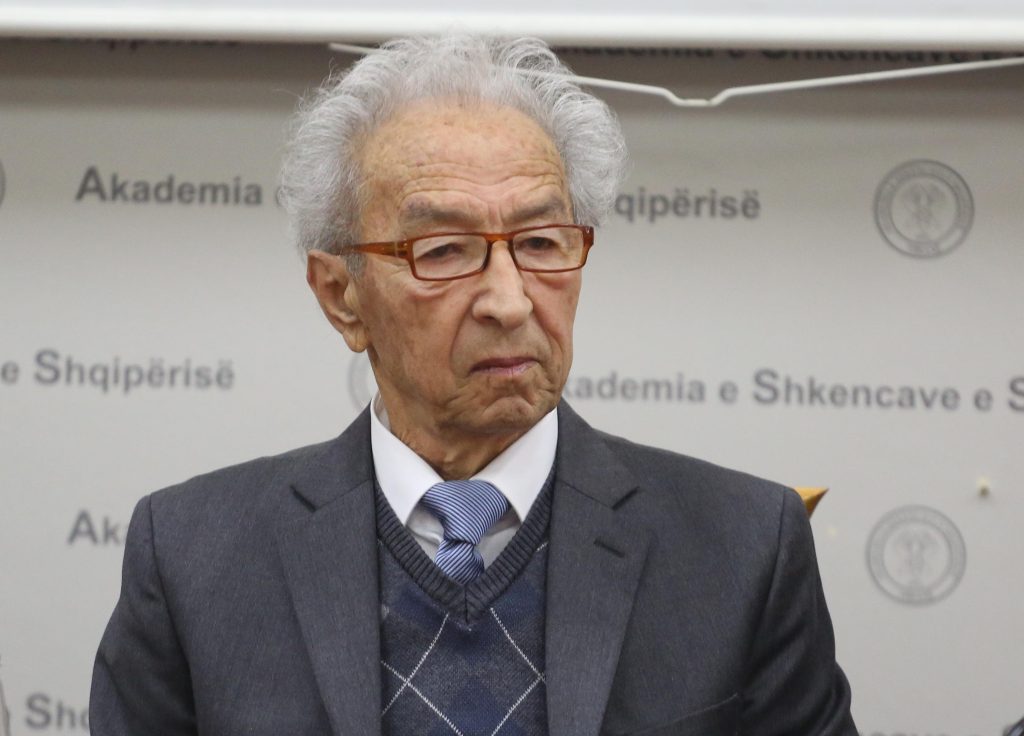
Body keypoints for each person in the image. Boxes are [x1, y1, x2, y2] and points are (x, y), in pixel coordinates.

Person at [90, 35, 856, 736]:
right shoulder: (193, 556)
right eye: (445, 251)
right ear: (341, 296)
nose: (510, 301)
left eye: (541, 242)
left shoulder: (743, 547)